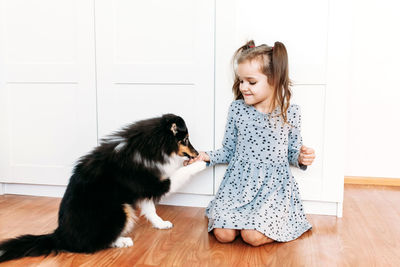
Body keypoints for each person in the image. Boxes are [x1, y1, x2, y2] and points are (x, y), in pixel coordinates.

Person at [188, 40, 315, 246]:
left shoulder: (290, 112)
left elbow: (291, 152)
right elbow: (229, 151)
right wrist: (205, 156)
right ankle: (240, 220)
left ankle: (258, 224)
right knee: (223, 235)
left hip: (272, 189)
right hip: (238, 186)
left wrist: (301, 157)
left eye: (251, 82)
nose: (243, 87)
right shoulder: (237, 109)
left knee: (252, 237)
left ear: (274, 79)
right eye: (241, 81)